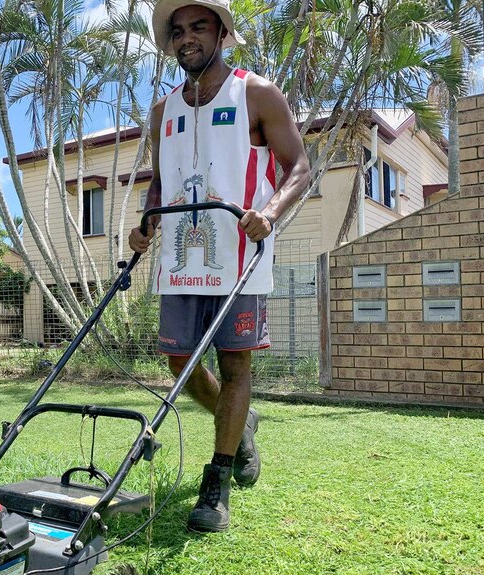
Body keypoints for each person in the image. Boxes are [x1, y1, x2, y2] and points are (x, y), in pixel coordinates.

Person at [128, 0, 310, 532]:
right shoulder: (164, 112)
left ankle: (219, 479)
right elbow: (160, 183)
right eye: (177, 31)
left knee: (236, 367)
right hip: (182, 259)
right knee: (179, 365)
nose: (187, 37)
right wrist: (146, 226)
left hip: (240, 256)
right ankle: (241, 424)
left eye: (198, 26)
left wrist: (270, 213)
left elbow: (299, 165)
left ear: (222, 32)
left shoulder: (256, 92)